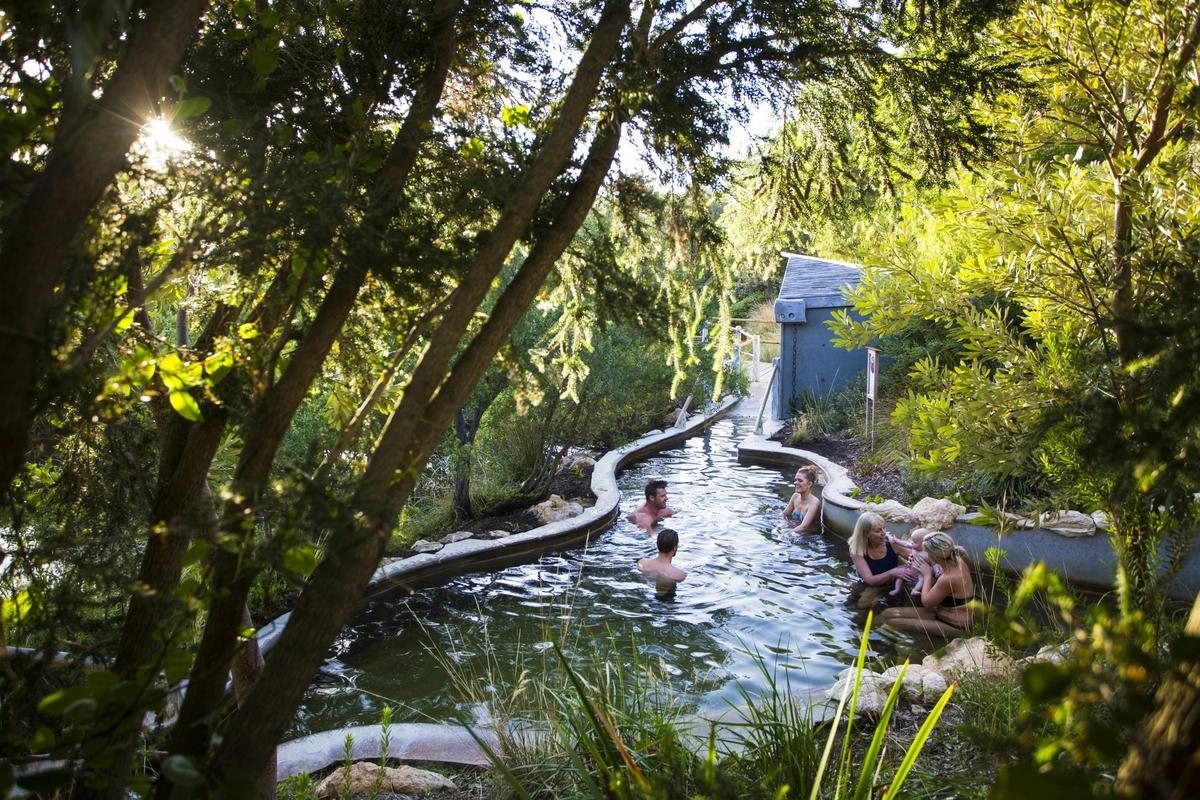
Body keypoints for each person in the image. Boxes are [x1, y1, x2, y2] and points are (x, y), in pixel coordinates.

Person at [881, 531, 975, 639]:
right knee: (887, 613)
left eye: (927, 553)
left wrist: (927, 575)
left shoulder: (948, 578)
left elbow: (926, 602)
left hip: (954, 625)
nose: (926, 555)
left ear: (934, 556)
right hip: (940, 613)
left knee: (892, 622)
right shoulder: (956, 560)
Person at [848, 511, 917, 609]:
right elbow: (869, 580)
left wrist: (908, 566)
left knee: (864, 603)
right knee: (859, 605)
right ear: (866, 534)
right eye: (878, 531)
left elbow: (916, 557)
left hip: (892, 581)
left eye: (884, 528)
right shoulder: (857, 550)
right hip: (870, 583)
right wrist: (893, 572)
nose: (883, 533)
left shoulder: (891, 543)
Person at [783, 465, 822, 533]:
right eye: (795, 480)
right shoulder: (795, 496)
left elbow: (804, 526)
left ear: (809, 484)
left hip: (809, 536)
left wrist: (786, 533)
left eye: (800, 480)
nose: (795, 483)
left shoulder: (814, 502)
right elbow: (785, 514)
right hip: (795, 530)